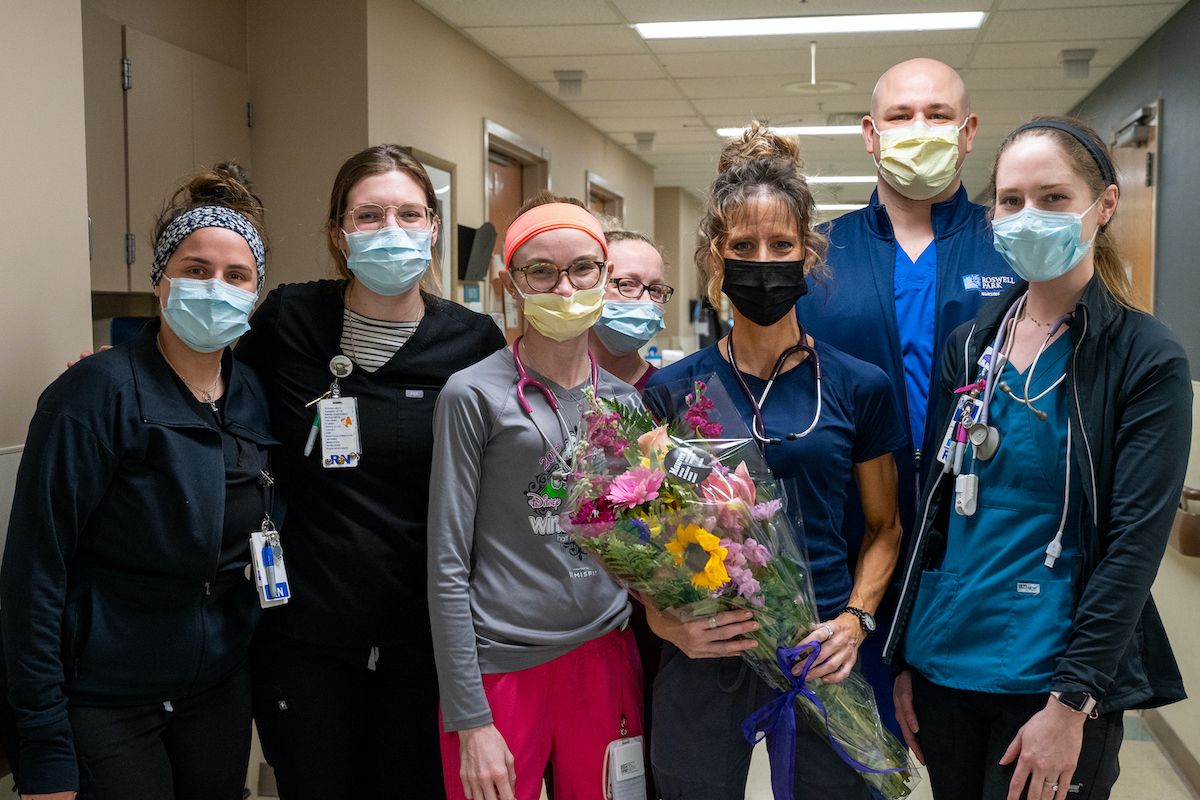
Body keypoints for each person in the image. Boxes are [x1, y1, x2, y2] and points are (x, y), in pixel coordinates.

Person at [886, 117, 1190, 800]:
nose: (1028, 217)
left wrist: (1072, 702)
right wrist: (905, 657)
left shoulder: (1143, 358)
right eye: (1012, 200)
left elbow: (1132, 550)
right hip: (945, 662)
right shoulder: (971, 348)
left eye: (1053, 199)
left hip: (1049, 678)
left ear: (1103, 206)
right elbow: (936, 511)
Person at [642, 123, 906, 799]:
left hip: (820, 652)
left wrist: (856, 619)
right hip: (710, 648)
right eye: (743, 246)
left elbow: (884, 529)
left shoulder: (859, 386)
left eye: (781, 244)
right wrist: (662, 618)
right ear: (715, 258)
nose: (764, 260)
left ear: (808, 254)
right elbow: (639, 533)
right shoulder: (674, 391)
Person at [236, 144, 506, 798]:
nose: (393, 231)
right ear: (339, 232)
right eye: (370, 216)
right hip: (307, 643)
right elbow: (213, 390)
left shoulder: (472, 342)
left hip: (426, 644)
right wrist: (119, 378)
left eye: (410, 214)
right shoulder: (290, 321)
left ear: (435, 228)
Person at [0, 164, 277, 800]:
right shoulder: (93, 395)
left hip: (215, 691)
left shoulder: (254, 396)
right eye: (195, 270)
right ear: (160, 281)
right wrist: (43, 744)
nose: (216, 288)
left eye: (237, 276)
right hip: (103, 697)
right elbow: (33, 573)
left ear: (257, 295)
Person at [794, 57, 1018, 732]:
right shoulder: (817, 257)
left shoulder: (1009, 246)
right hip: (847, 550)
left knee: (966, 755)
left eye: (938, 115)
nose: (919, 128)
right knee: (848, 760)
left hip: (979, 549)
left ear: (968, 130)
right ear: (870, 132)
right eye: (900, 116)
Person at [428, 194, 643, 800]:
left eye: (583, 268)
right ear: (512, 282)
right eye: (540, 271)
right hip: (502, 672)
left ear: (604, 275)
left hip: (604, 662)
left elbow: (636, 543)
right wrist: (470, 718)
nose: (565, 287)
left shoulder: (624, 406)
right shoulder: (472, 395)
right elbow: (447, 564)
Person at [589, 228, 674, 392]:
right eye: (627, 284)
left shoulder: (666, 394)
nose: (647, 302)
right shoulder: (555, 386)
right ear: (589, 287)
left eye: (656, 289)